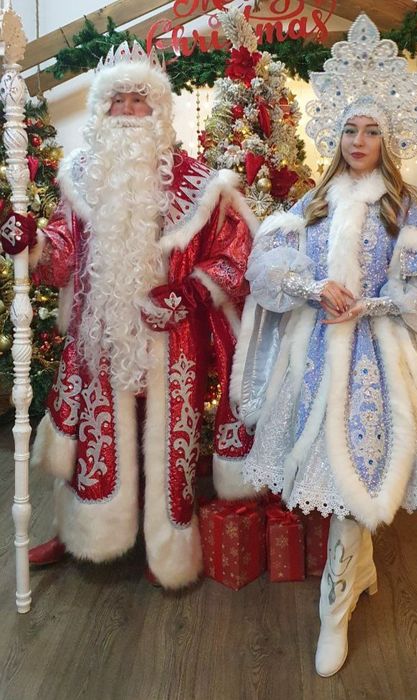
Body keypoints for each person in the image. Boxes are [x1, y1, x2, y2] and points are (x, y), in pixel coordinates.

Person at [230, 14, 417, 676]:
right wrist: (310, 287)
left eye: (370, 131)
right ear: (335, 135)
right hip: (315, 358)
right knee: (329, 470)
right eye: (350, 130)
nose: (358, 141)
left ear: (387, 138)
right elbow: (267, 267)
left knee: (360, 467)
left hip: (378, 362)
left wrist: (379, 302)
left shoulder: (402, 205)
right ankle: (351, 577)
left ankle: (338, 600)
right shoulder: (314, 202)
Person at [1, 41, 256, 589]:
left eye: (139, 99)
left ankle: (166, 546)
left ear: (158, 108)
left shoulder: (199, 182)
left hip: (173, 343)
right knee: (94, 439)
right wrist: (33, 244)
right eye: (116, 100)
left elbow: (237, 256)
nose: (127, 110)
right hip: (102, 336)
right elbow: (63, 253)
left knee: (170, 445)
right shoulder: (82, 177)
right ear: (102, 109)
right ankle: (82, 531)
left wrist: (189, 293)